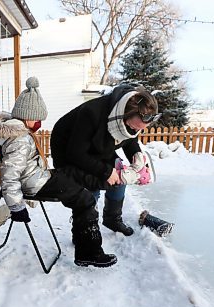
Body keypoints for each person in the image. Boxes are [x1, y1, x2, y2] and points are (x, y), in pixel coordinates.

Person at [0, 77, 117, 268]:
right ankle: (89, 252)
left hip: (38, 176)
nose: (39, 123)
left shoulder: (19, 133)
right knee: (85, 199)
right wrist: (16, 206)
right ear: (26, 116)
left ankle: (103, 183)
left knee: (71, 173)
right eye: (37, 119)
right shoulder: (19, 139)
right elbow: (9, 174)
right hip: (34, 183)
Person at [50, 84, 159, 236]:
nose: (137, 131)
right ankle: (85, 231)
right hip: (69, 151)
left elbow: (130, 139)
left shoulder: (128, 118)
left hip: (98, 146)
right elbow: (76, 153)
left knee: (120, 174)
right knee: (91, 186)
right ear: (126, 114)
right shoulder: (92, 114)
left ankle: (112, 219)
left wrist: (137, 158)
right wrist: (106, 171)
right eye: (136, 128)